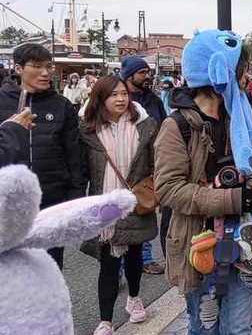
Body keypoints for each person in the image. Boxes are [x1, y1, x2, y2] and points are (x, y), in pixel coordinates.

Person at [154, 31, 252, 335]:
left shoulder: (246, 115)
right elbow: (169, 189)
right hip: (198, 243)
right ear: (219, 71)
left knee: (237, 327)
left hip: (245, 240)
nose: (246, 76)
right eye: (241, 69)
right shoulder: (177, 126)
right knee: (204, 327)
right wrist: (231, 199)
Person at [79, 76, 159, 335]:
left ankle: (134, 298)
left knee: (135, 256)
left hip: (136, 201)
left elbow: (156, 162)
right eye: (113, 95)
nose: (121, 99)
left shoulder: (145, 125)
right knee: (109, 264)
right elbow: (82, 170)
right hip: (105, 206)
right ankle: (106, 321)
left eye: (123, 93)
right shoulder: (87, 130)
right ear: (100, 99)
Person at [0, 43, 86, 269]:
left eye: (49, 66)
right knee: (10, 271)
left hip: (51, 201)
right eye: (37, 66)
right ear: (18, 69)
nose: (46, 72)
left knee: (49, 268)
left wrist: (75, 199)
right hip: (8, 204)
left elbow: (73, 155)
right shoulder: (2, 100)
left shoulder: (62, 105)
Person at [120, 56, 168, 275]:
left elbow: (164, 125)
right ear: (129, 75)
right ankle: (119, 267)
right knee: (120, 216)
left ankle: (146, 259)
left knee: (144, 208)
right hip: (122, 164)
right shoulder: (119, 98)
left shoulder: (153, 100)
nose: (147, 76)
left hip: (149, 164)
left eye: (148, 72)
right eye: (142, 72)